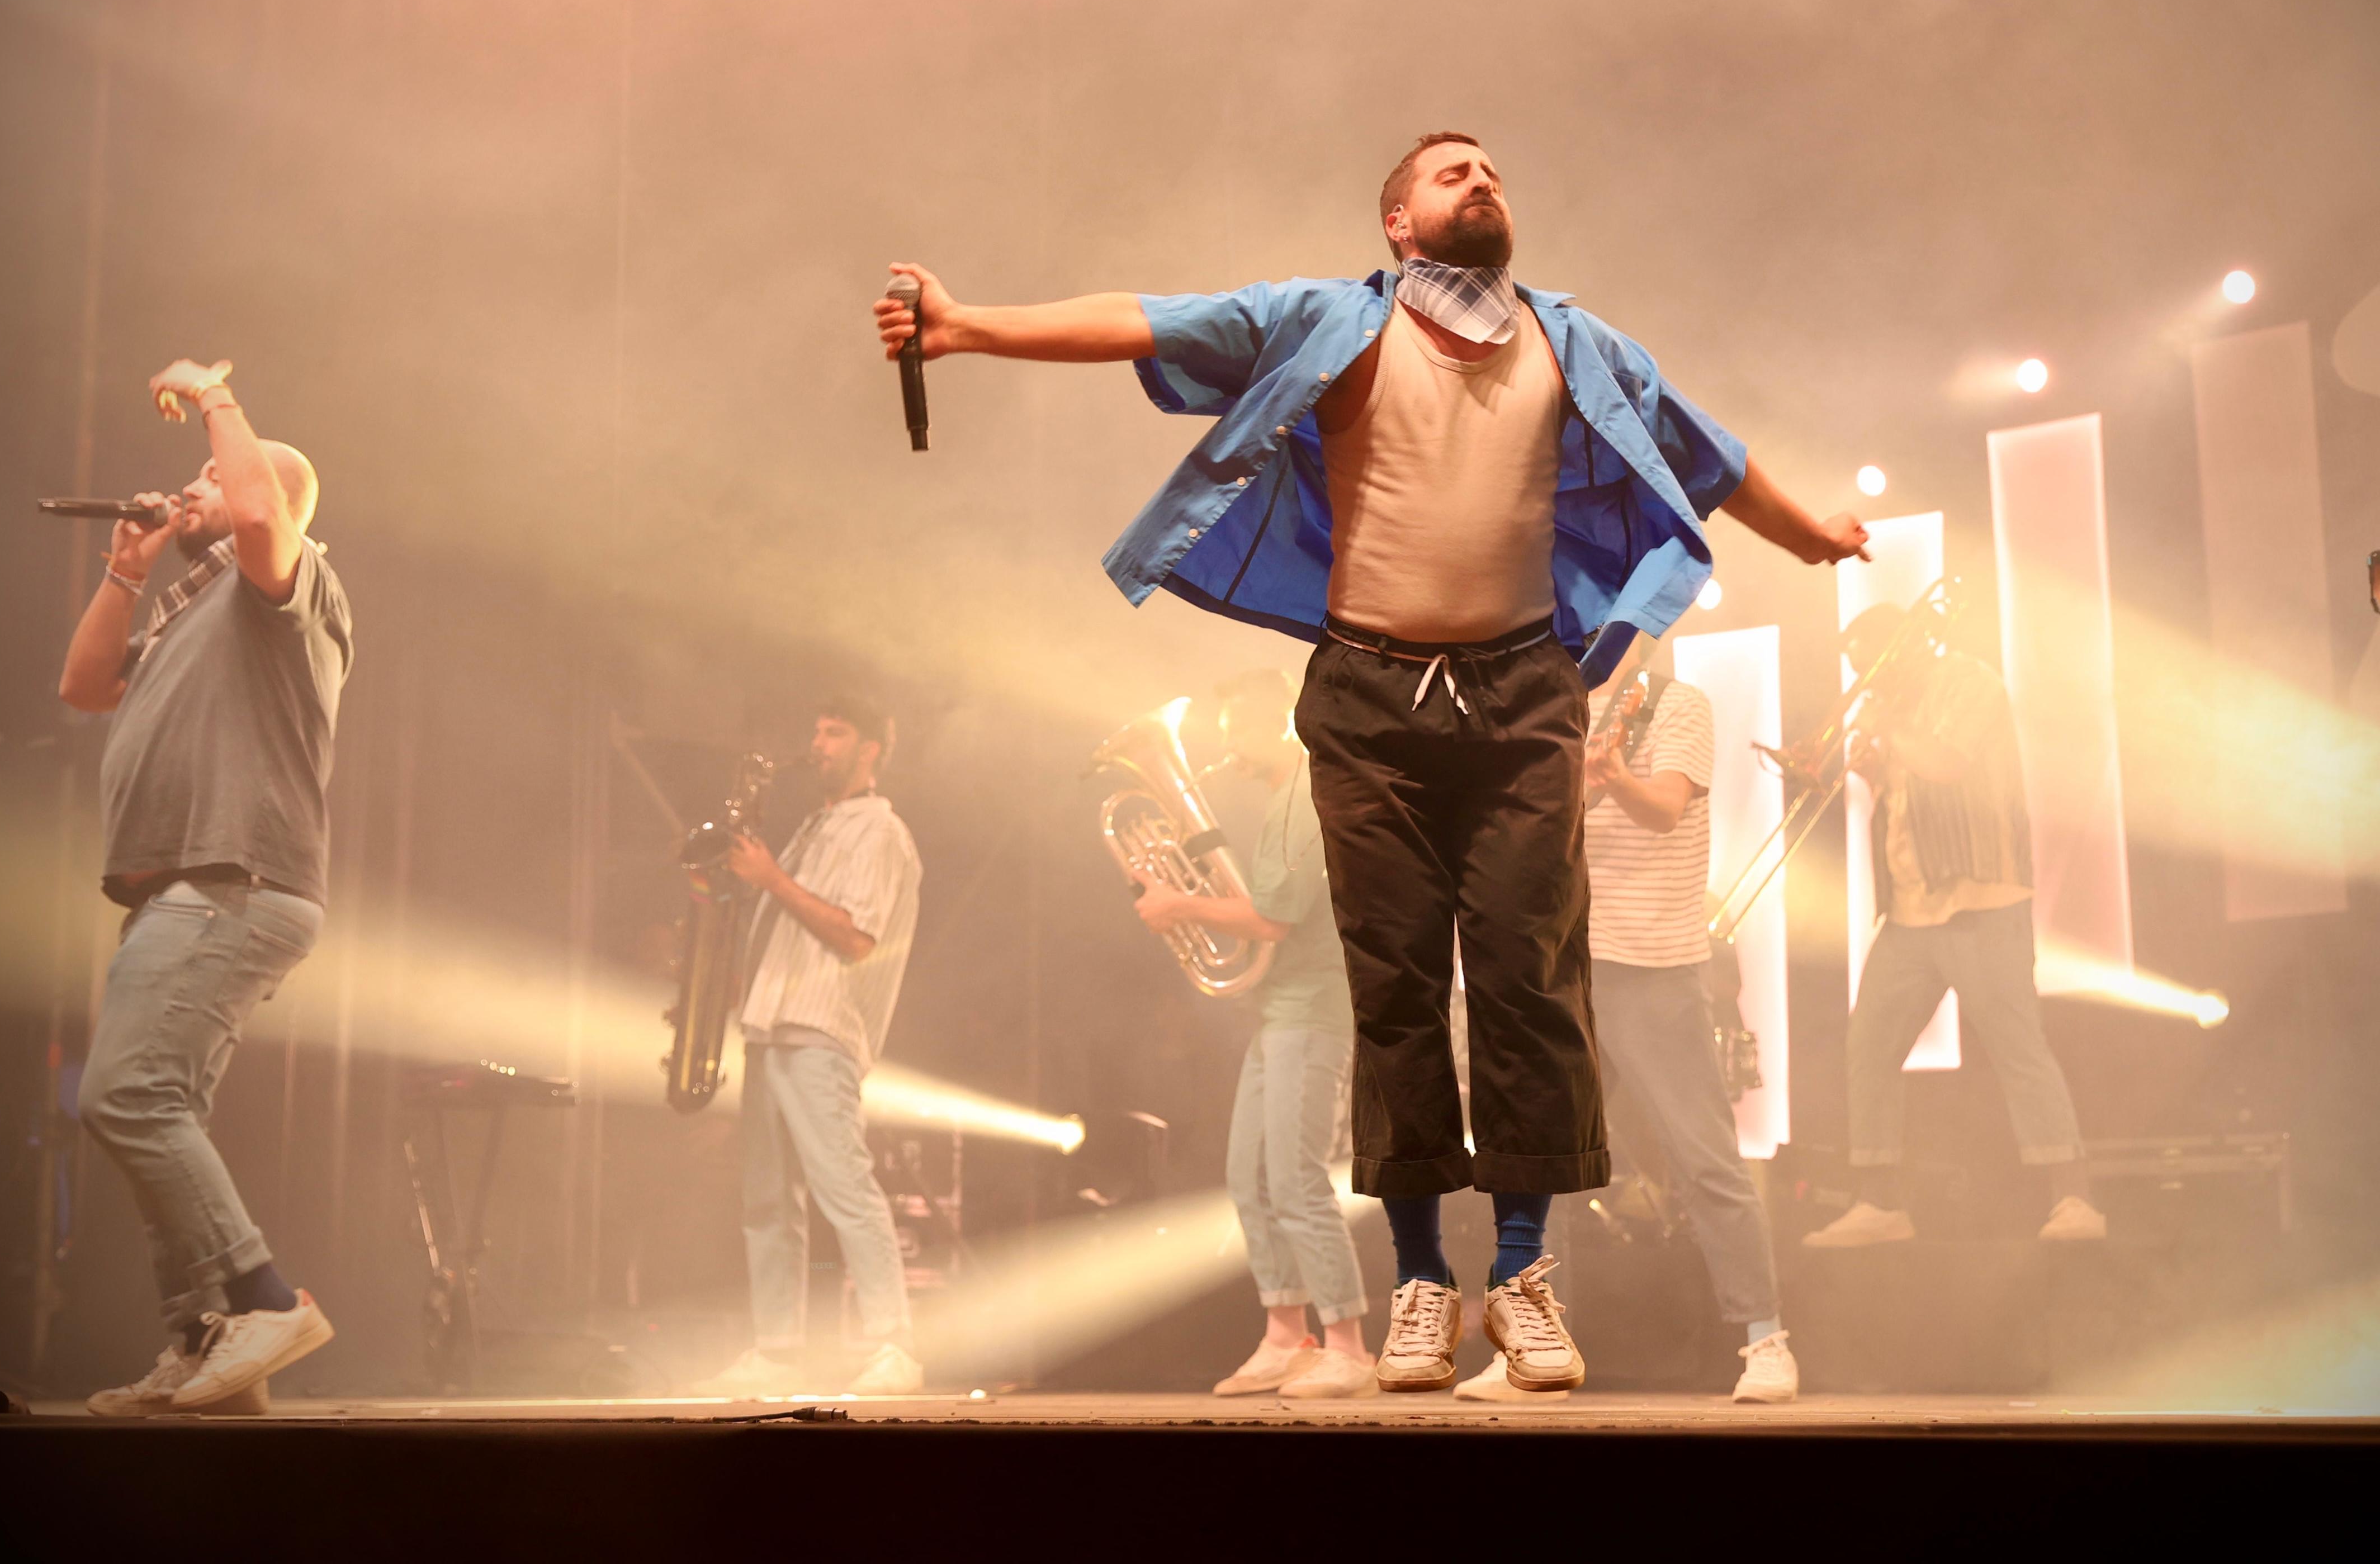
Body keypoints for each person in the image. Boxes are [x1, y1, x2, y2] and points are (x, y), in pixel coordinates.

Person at [875, 132, 1867, 1395]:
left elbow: (1706, 453)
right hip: (1368, 694)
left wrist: (1810, 533)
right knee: (1394, 988)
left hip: (1522, 694)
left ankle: (1522, 1275)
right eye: (1452, 173)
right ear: (1399, 223)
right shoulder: (1331, 321)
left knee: (1527, 982)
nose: (1483, 180)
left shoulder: (1572, 341)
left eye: (1493, 170)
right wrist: (967, 327)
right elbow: (1148, 317)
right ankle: (1418, 1278)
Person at [63, 358, 351, 1416]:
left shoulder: (286, 580)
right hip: (185, 893)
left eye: (208, 479)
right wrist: (125, 571)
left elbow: (264, 509)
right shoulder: (193, 606)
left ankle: (265, 1300)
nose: (189, 489)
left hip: (234, 878)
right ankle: (204, 1339)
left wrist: (213, 392)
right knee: (157, 1108)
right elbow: (84, 685)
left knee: (124, 1095)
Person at [1457, 645, 1797, 1402]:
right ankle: (1535, 1351)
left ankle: (1765, 1341)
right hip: (1558, 967)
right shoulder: (1543, 713)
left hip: (1652, 967)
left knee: (1703, 1158)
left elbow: (1665, 810)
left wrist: (1613, 778)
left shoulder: (1675, 705)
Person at [1800, 605, 2105, 1249]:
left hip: (1981, 900)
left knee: (2017, 1049)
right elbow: (1912, 798)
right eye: (1859, 671)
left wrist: (1888, 730)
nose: (1868, 681)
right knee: (1868, 1047)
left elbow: (1947, 764)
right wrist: (1874, 773)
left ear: (1901, 649)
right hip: (1911, 915)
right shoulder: (1898, 708)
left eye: (1872, 666)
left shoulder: (1969, 682)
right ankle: (1880, 1203)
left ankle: (2074, 1198)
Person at [1130, 670, 1374, 1400]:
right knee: (1250, 1178)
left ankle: (1347, 1347)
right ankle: (1285, 1336)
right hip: (1280, 1012)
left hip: (1313, 1012)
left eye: (1238, 727)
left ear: (1283, 722)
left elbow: (1270, 921)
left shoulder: (1306, 796)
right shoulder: (1282, 799)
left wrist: (1179, 904)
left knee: (1296, 1181)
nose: (1227, 744)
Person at [697, 694, 926, 1399]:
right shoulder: (813, 828)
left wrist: (770, 878)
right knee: (766, 1202)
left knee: (844, 1188)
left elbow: (856, 938)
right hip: (769, 1025)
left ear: (870, 749)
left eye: (835, 733)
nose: (818, 744)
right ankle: (778, 1350)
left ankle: (895, 1346)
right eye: (817, 732)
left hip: (821, 1029)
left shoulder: (881, 832)